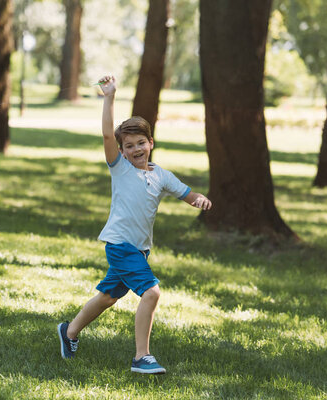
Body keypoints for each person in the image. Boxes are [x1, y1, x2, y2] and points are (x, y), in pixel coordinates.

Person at [57, 75, 212, 374]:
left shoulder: (161, 175)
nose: (136, 149)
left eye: (141, 143)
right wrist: (109, 97)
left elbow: (186, 193)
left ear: (151, 143)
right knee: (152, 292)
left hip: (139, 250)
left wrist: (199, 199)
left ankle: (69, 331)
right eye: (129, 146)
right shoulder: (120, 169)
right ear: (122, 150)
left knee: (107, 296)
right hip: (119, 244)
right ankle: (142, 356)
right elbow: (106, 136)